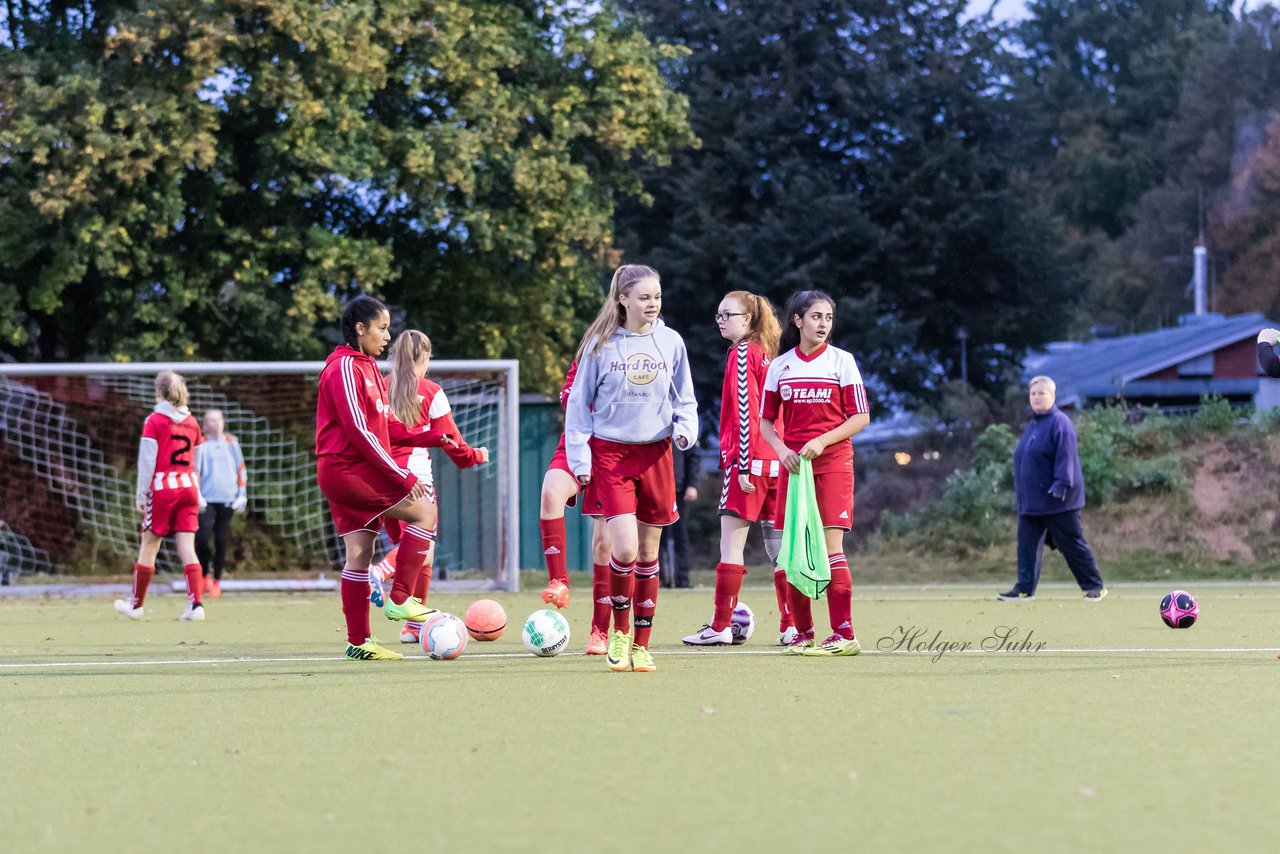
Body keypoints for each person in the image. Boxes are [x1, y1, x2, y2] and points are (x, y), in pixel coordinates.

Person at [565, 263, 699, 673]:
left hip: (656, 454)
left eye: (657, 296)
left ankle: (642, 643)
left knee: (648, 553)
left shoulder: (671, 342)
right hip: (611, 456)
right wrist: (580, 460)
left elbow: (686, 400)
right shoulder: (600, 344)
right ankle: (618, 632)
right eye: (644, 297)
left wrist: (684, 432)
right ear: (623, 299)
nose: (653, 304)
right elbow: (578, 408)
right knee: (622, 549)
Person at [315, 296, 454, 661]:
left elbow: (388, 427)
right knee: (426, 513)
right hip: (346, 469)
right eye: (381, 328)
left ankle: (359, 642)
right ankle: (401, 598)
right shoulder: (344, 367)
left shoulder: (370, 368)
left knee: (360, 555)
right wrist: (402, 475)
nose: (387, 335)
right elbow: (359, 431)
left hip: (348, 469)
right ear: (360, 329)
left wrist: (431, 436)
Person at [684, 290, 797, 647]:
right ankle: (792, 626)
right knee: (780, 551)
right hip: (777, 463)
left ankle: (719, 626)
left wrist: (744, 465)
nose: (720, 321)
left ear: (748, 319)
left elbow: (746, 411)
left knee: (730, 548)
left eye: (727, 315)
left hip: (747, 465)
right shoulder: (771, 355)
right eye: (718, 315)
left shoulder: (743, 352)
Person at [761, 290, 870, 656]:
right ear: (798, 320)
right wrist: (782, 451)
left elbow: (860, 417)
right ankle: (803, 633)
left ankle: (844, 634)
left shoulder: (842, 362)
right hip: (794, 468)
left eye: (828, 318)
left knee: (830, 547)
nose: (823, 324)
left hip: (833, 463)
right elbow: (765, 423)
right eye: (816, 317)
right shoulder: (780, 367)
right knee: (793, 550)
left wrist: (822, 442)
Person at [368, 329, 487, 644]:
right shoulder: (431, 391)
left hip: (381, 476)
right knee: (422, 546)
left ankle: (413, 624)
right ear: (425, 357)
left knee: (421, 554)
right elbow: (453, 445)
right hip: (414, 481)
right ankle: (377, 574)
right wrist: (476, 455)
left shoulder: (379, 387)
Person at [998, 375, 1107, 602]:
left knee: (1072, 544)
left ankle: (1094, 586)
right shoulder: (1034, 424)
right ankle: (1024, 589)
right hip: (1031, 502)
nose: (1037, 398)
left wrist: (1061, 484)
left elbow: (1066, 457)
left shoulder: (1060, 423)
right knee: (1026, 547)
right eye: (1033, 394)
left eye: (1042, 393)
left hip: (1058, 500)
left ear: (1052, 396)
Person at [114, 371, 209, 621]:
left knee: (149, 546)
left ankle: (135, 605)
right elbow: (198, 462)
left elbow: (147, 463)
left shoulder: (154, 421)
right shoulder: (193, 423)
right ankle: (196, 605)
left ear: (159, 393)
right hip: (189, 487)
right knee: (187, 548)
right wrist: (196, 490)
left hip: (163, 489)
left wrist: (141, 495)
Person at [538, 360, 614, 655]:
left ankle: (601, 630)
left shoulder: (641, 356)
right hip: (576, 444)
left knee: (604, 545)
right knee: (550, 492)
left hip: (613, 451)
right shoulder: (588, 355)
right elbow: (571, 399)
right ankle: (559, 580)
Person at [195, 409, 247, 598]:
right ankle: (203, 576)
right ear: (205, 423)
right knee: (201, 538)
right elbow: (195, 470)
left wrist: (242, 494)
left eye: (217, 420)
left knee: (221, 540)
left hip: (227, 499)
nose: (214, 424)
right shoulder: (201, 443)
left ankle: (216, 581)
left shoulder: (231, 443)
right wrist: (196, 495)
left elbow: (241, 468)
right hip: (206, 500)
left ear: (223, 422)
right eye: (210, 420)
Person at [659, 438, 701, 589]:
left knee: (681, 536)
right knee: (656, 538)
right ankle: (659, 579)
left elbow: (693, 457)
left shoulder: (682, 425)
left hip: (679, 489)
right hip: (657, 490)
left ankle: (682, 579)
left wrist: (692, 484)